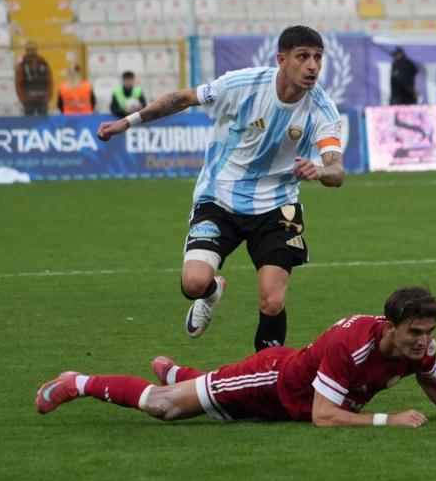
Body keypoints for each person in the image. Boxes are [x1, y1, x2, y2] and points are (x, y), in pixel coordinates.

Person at [97, 26, 345, 352]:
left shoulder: (322, 109)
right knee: (193, 283)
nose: (312, 66)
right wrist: (128, 122)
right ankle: (212, 292)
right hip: (219, 199)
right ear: (282, 60)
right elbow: (182, 98)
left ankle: (267, 379)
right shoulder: (242, 84)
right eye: (303, 57)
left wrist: (320, 170)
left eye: (317, 58)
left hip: (277, 207)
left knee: (272, 301)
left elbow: (337, 170)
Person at [35, 286, 436, 427]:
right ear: (392, 326)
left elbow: (430, 379)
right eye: (415, 332)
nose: (424, 342)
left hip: (289, 400)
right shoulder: (351, 344)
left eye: (428, 332)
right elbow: (325, 417)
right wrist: (389, 420)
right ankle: (76, 381)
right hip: (271, 382)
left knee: (205, 394)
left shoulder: (419, 347)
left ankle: (186, 374)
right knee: (164, 407)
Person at [15, 41, 53, 116]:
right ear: (26, 51)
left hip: (42, 98)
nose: (32, 51)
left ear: (37, 50)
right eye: (29, 49)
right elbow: (18, 83)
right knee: (29, 123)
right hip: (28, 99)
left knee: (44, 122)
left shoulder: (43, 63)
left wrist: (48, 96)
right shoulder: (22, 65)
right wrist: (23, 98)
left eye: (33, 49)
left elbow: (50, 80)